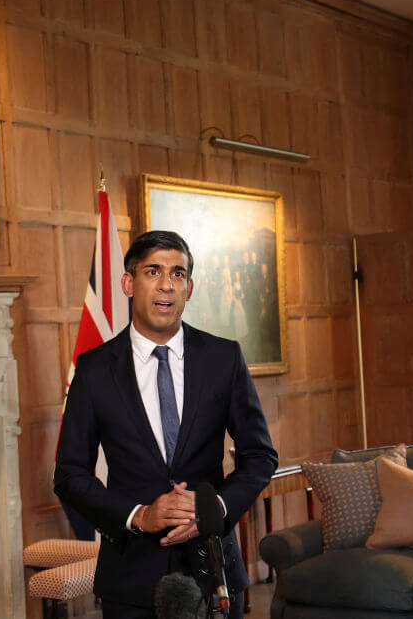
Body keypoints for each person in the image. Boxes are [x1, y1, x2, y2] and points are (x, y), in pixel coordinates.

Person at [54, 231, 277, 619]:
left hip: (214, 573)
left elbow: (259, 456)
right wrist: (139, 515)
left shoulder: (224, 359)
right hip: (131, 579)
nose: (166, 285)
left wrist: (215, 511)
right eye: (153, 271)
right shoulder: (93, 371)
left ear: (188, 288)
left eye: (177, 274)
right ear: (128, 282)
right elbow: (70, 475)